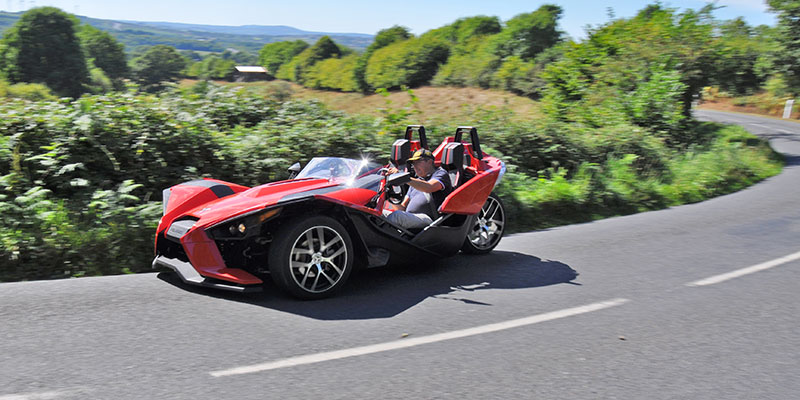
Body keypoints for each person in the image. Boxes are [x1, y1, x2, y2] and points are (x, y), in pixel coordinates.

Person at [384, 148, 453, 230]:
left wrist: (402, 177)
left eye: (418, 162)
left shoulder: (440, 173)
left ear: (430, 162)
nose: (414, 166)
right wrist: (390, 195)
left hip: (428, 219)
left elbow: (429, 187)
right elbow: (402, 208)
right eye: (413, 163)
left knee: (397, 216)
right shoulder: (416, 182)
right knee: (375, 214)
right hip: (409, 217)